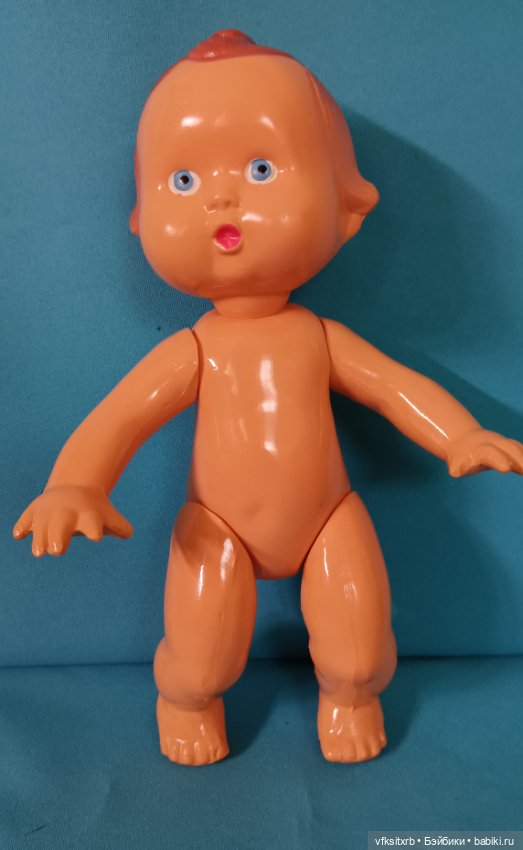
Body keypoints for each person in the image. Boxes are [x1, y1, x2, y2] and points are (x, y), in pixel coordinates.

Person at [13, 30, 523, 766]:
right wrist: (75, 484)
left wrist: (459, 435)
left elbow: (392, 388)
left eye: (260, 169)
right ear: (141, 220)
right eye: (182, 181)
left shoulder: (318, 338)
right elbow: (120, 417)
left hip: (327, 517)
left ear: (347, 207)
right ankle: (184, 702)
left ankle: (351, 698)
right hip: (215, 528)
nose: (221, 197)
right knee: (199, 663)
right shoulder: (195, 349)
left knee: (358, 654)